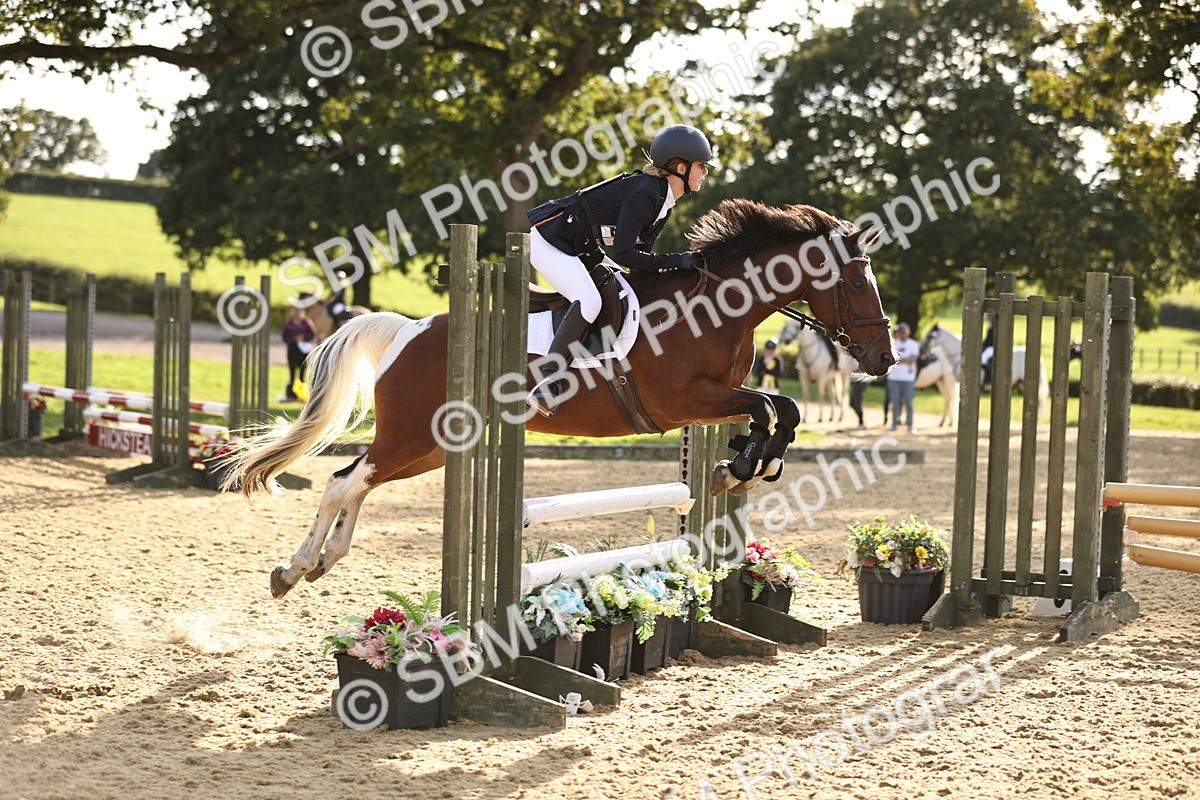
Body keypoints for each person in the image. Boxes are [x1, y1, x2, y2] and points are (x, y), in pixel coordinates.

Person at [524, 124, 715, 416]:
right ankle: (548, 382)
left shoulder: (663, 201)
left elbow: (639, 259)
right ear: (680, 167)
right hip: (550, 239)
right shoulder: (646, 194)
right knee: (589, 301)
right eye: (702, 166)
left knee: (623, 288)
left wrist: (680, 268)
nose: (705, 172)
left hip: (580, 246)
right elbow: (626, 253)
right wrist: (679, 260)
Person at [887, 323, 920, 432]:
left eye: (904, 332)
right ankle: (894, 424)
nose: (902, 335)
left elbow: (913, 358)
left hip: (908, 378)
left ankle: (910, 425)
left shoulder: (913, 344)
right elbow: (892, 359)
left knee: (909, 402)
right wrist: (906, 360)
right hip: (894, 378)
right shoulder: (893, 344)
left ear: (908, 333)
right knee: (895, 403)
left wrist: (900, 360)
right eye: (901, 333)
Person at [282, 306, 316, 401]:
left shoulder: (306, 323)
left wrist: (303, 337)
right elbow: (285, 337)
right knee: (292, 373)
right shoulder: (289, 324)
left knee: (302, 373)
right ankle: (292, 394)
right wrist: (294, 339)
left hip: (303, 352)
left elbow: (312, 335)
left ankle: (301, 394)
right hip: (292, 351)